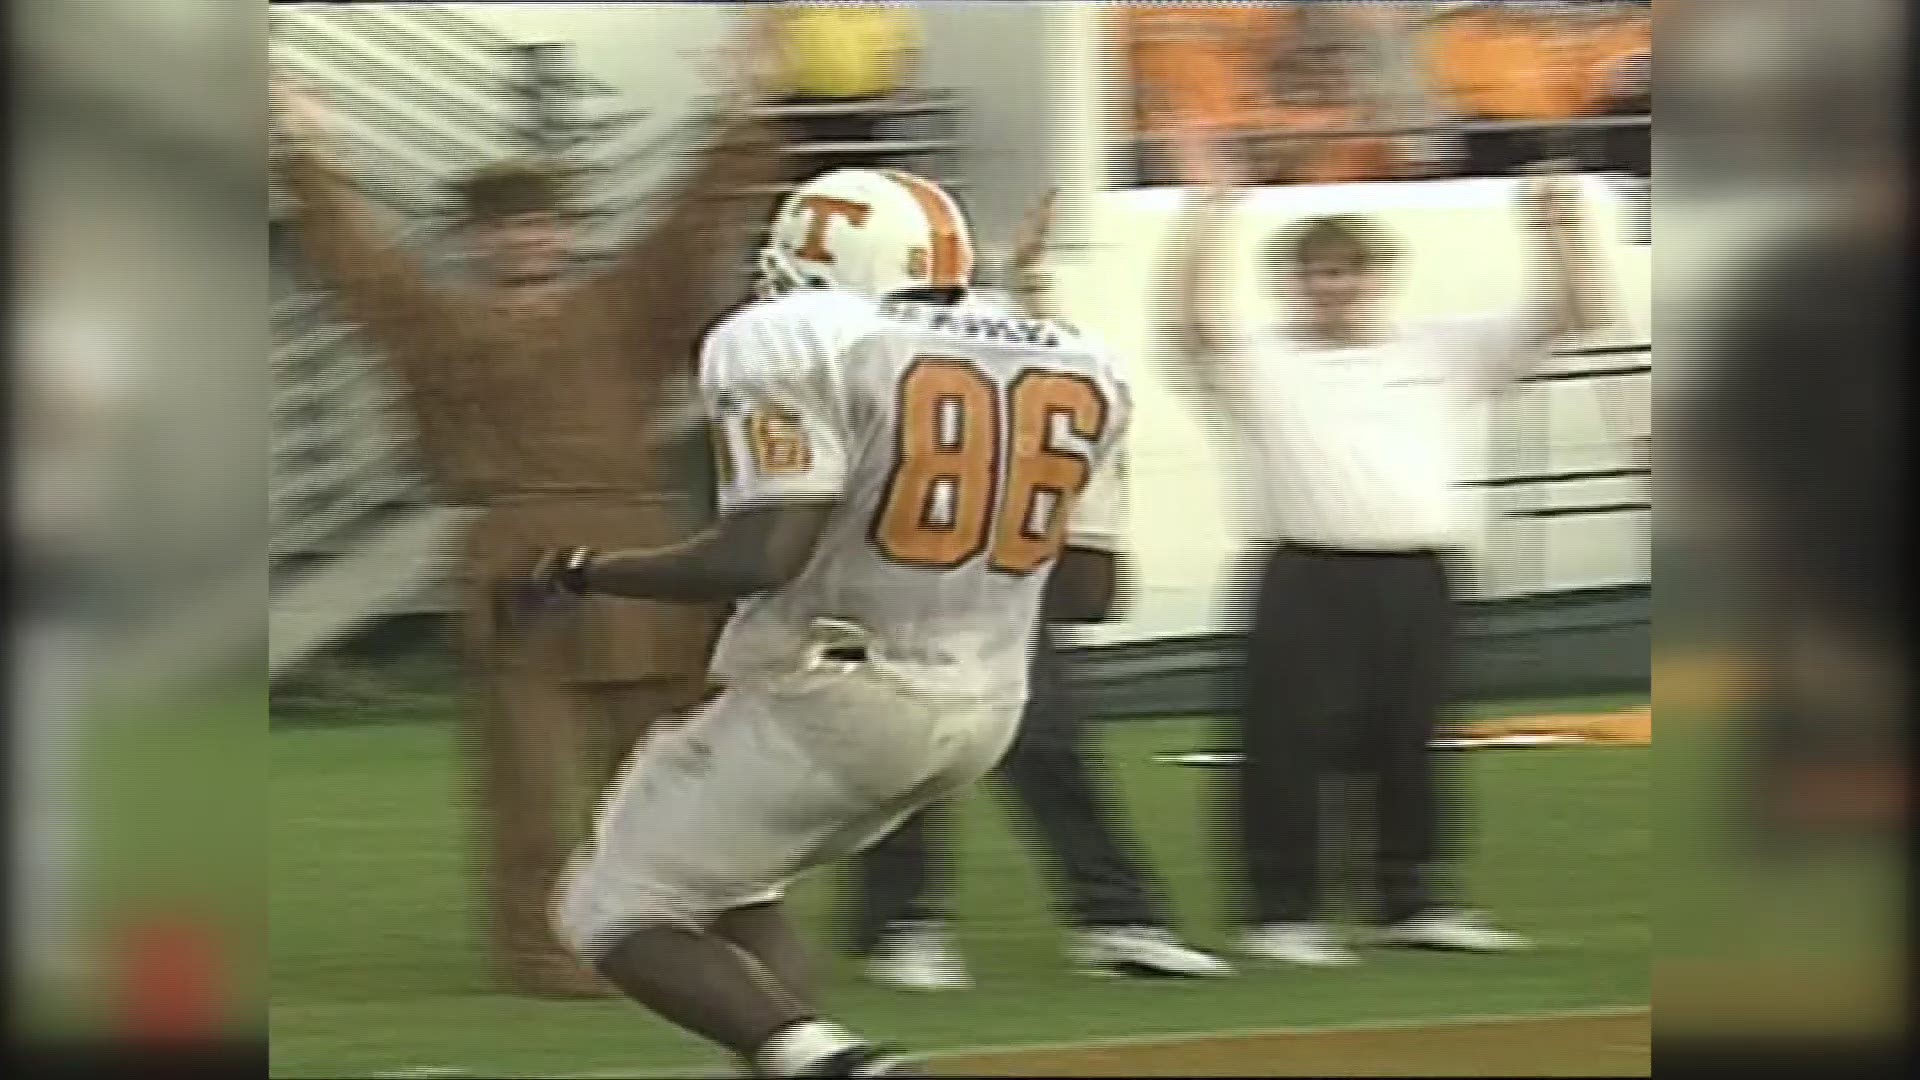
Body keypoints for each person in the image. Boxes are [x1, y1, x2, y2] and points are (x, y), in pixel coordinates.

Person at [535, 166, 1132, 1076]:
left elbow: (759, 555)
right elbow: (1092, 592)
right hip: (988, 704)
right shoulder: (1076, 358)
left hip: (839, 688)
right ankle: (795, 1056)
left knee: (610, 910)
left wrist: (587, 573)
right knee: (740, 884)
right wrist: (965, 541)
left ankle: (830, 1064)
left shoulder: (794, 336)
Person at [266, 30, 788, 999]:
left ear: (566, 231)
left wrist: (744, 111)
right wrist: (306, 150)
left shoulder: (624, 306)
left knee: (668, 757)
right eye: (506, 228)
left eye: (542, 224)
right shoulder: (439, 322)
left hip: (634, 550)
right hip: (514, 558)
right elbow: (357, 268)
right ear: (476, 242)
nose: (526, 240)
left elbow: (696, 225)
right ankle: (543, 950)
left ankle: (677, 925)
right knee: (526, 770)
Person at [1161, 119, 1609, 968]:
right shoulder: (1262, 359)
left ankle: (1413, 902)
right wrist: (1210, 209)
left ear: (1378, 279)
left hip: (1418, 575)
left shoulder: (1441, 349)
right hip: (1305, 573)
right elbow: (1190, 324)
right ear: (1291, 284)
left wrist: (1557, 222)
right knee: (1286, 745)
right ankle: (1280, 913)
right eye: (1313, 275)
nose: (1331, 289)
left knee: (1411, 739)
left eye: (1347, 273)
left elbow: (1576, 312)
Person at [850, 192, 1229, 990]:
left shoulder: (1009, 335)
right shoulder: (866, 336)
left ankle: (1117, 917)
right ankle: (902, 923)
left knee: (1052, 749)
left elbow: (1065, 371)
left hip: (1005, 578)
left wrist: (1032, 285)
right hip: (903, 572)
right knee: (908, 761)